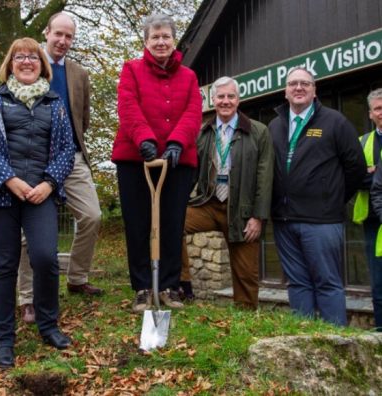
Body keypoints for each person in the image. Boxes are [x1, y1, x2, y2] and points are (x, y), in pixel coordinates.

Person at [0, 37, 75, 368]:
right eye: (19, 57)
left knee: (45, 258)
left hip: (41, 194)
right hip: (1, 194)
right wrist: (11, 180)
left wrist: (49, 183)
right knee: (5, 265)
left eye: (33, 57)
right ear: (10, 63)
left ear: (42, 64)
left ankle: (48, 325)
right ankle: (5, 338)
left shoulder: (55, 104)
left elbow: (67, 149)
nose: (26, 61)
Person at [111, 13, 202, 313]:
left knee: (171, 223)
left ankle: (168, 285)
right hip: (136, 158)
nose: (160, 42)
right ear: (146, 42)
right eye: (155, 37)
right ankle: (141, 287)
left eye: (166, 37)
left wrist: (177, 142)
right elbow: (128, 105)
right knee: (138, 223)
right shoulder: (131, 70)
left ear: (174, 41)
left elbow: (193, 112)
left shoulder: (188, 76)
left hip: (177, 161)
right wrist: (144, 139)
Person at [18, 12, 103, 324]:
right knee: (31, 232)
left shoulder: (79, 73)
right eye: (59, 34)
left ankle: (77, 278)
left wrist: (71, 145)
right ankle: (27, 299)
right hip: (34, 160)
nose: (63, 41)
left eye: (69, 36)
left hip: (72, 156)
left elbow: (84, 118)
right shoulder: (29, 64)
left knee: (92, 216)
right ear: (47, 32)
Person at [269, 66, 366, 326]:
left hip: (322, 220)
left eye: (305, 83)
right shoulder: (275, 125)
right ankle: (305, 342)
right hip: (284, 219)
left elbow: (355, 167)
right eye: (293, 84)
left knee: (327, 282)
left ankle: (336, 344)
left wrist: (333, 198)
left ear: (314, 90)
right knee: (298, 283)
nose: (298, 88)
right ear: (285, 92)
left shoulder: (335, 122)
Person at [181, 76, 274, 309]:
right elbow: (191, 171)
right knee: (171, 223)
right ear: (213, 100)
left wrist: (258, 217)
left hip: (242, 211)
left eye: (230, 96)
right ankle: (182, 285)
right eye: (220, 96)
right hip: (209, 204)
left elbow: (265, 178)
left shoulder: (258, 132)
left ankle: (245, 319)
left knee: (246, 274)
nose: (225, 101)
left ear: (238, 99)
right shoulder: (204, 133)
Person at [362, 88, 382, 331]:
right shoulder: (363, 142)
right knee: (378, 282)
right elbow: (357, 179)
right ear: (370, 114)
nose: (381, 112)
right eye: (377, 108)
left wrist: (373, 171)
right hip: (372, 222)